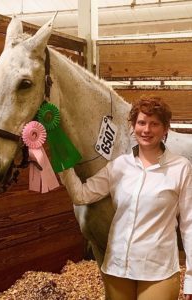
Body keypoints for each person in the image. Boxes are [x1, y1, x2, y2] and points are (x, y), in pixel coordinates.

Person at [59, 96, 192, 300]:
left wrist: (190, 278)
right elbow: (81, 195)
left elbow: (188, 225)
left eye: (154, 124)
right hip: (117, 270)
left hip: (157, 271)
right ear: (133, 126)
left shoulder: (180, 167)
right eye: (141, 123)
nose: (146, 130)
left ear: (166, 129)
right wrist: (62, 162)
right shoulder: (119, 166)